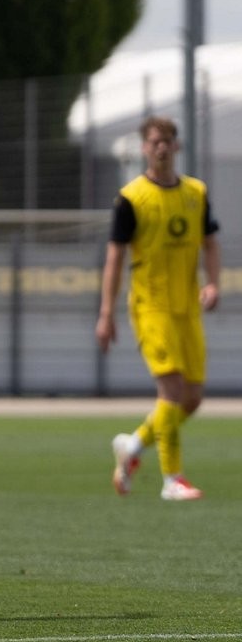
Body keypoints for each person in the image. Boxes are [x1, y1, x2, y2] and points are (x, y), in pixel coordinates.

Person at [97, 115, 221, 502]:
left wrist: (213, 283)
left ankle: (133, 445)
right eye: (155, 141)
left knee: (192, 398)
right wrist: (106, 313)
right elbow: (114, 258)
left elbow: (210, 242)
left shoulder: (196, 193)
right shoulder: (131, 198)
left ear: (177, 146)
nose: (162, 147)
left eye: (168, 140)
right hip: (150, 307)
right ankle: (172, 480)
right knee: (171, 389)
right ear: (145, 148)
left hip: (187, 307)